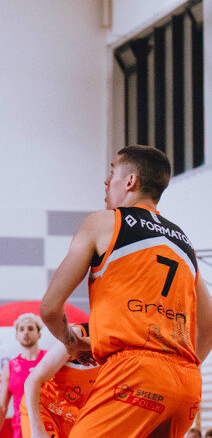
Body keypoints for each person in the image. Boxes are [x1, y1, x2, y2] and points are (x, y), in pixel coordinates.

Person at [41, 145, 212, 436]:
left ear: (131, 180)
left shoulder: (102, 223)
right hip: (186, 384)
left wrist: (71, 342)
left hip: (134, 374)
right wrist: (178, 370)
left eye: (112, 172)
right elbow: (208, 327)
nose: (106, 181)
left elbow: (49, 308)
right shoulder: (184, 243)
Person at [20, 323, 100, 438]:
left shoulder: (121, 348)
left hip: (75, 419)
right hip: (44, 408)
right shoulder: (78, 334)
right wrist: (37, 430)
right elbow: (32, 380)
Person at [0, 313, 47, 438]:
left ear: (39, 334)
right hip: (21, 428)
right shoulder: (10, 367)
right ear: (16, 336)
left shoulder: (49, 359)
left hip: (48, 426)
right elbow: (2, 406)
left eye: (30, 328)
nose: (26, 332)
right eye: (21, 329)